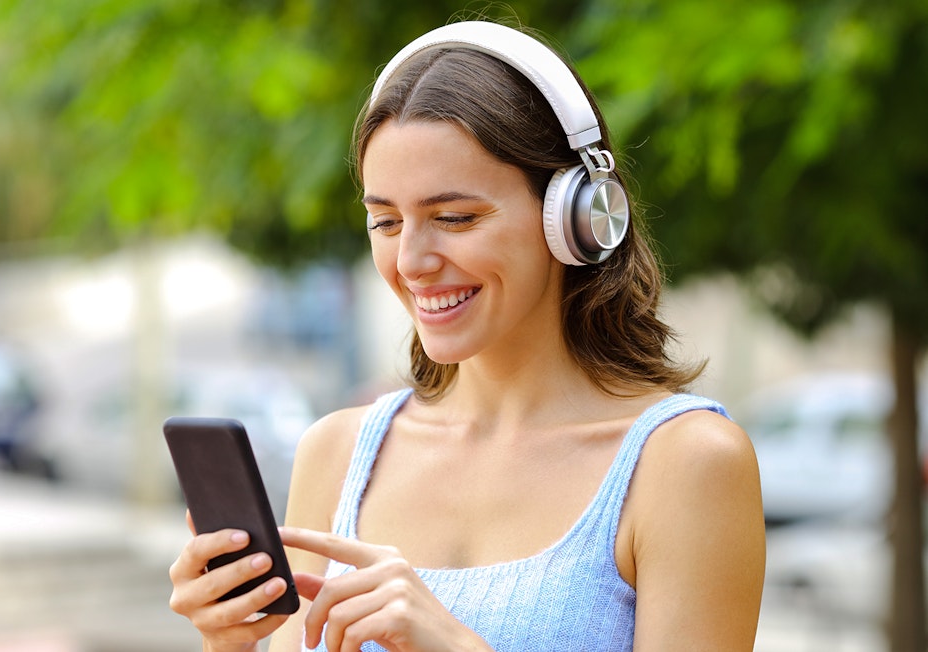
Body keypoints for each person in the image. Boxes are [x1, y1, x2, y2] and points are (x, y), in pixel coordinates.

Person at [169, 18, 765, 652]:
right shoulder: (336, 456)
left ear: (576, 215)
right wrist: (228, 645)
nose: (412, 261)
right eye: (387, 221)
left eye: (454, 217)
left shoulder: (685, 464)